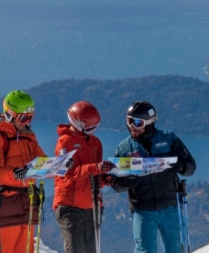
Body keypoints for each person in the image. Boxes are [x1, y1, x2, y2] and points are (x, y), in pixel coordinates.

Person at [107, 100, 196, 253]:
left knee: (174, 248)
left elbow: (190, 167)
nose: (132, 126)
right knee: (145, 250)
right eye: (129, 121)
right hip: (143, 209)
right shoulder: (124, 148)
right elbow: (116, 185)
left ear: (149, 123)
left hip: (169, 206)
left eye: (137, 122)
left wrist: (179, 166)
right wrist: (130, 180)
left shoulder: (168, 139)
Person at [53, 101, 115, 253]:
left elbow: (95, 175)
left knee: (91, 249)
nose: (93, 131)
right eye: (90, 128)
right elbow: (68, 172)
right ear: (79, 123)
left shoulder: (96, 143)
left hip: (91, 204)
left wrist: (105, 179)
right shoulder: (65, 142)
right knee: (76, 249)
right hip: (70, 204)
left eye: (96, 127)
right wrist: (96, 167)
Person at [0, 90, 46, 253]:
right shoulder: (1, 136)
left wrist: (57, 165)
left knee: (25, 249)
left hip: (28, 201)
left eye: (31, 118)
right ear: (10, 114)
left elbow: (41, 161)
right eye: (24, 118)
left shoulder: (28, 136)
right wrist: (13, 174)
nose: (28, 122)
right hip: (7, 204)